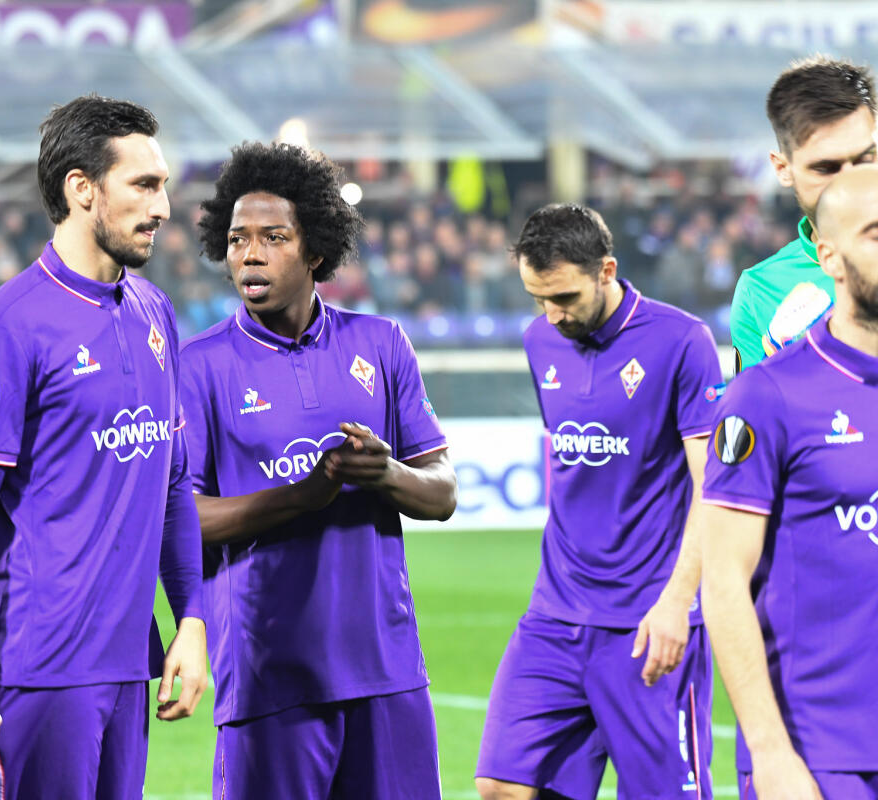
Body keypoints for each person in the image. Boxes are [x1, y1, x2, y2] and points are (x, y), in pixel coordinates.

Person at [0, 94, 206, 799]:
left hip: (128, 664)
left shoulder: (155, 313)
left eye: (164, 186)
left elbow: (175, 483)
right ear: (81, 189)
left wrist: (193, 618)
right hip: (37, 668)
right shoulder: (6, 326)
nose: (164, 208)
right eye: (145, 185)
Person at [180, 142, 456, 799]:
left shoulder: (380, 344)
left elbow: (442, 491)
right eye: (238, 237)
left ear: (315, 251)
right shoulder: (199, 366)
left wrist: (384, 474)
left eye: (274, 237)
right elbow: (179, 519)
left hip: (386, 670)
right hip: (267, 676)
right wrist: (304, 496)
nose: (249, 252)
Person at [475, 204, 720, 800]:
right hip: (555, 613)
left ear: (606, 270)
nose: (551, 315)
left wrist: (677, 604)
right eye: (537, 298)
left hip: (647, 618)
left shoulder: (681, 341)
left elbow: (713, 489)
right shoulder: (541, 341)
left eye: (563, 297)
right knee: (503, 785)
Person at [702, 165, 878, 800]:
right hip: (822, 759)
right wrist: (771, 755)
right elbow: (723, 581)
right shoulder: (767, 393)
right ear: (827, 256)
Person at [730, 56, 876, 371]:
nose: (849, 182)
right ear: (783, 169)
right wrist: (782, 365)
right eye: (827, 167)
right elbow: (753, 414)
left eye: (866, 159)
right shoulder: (759, 291)